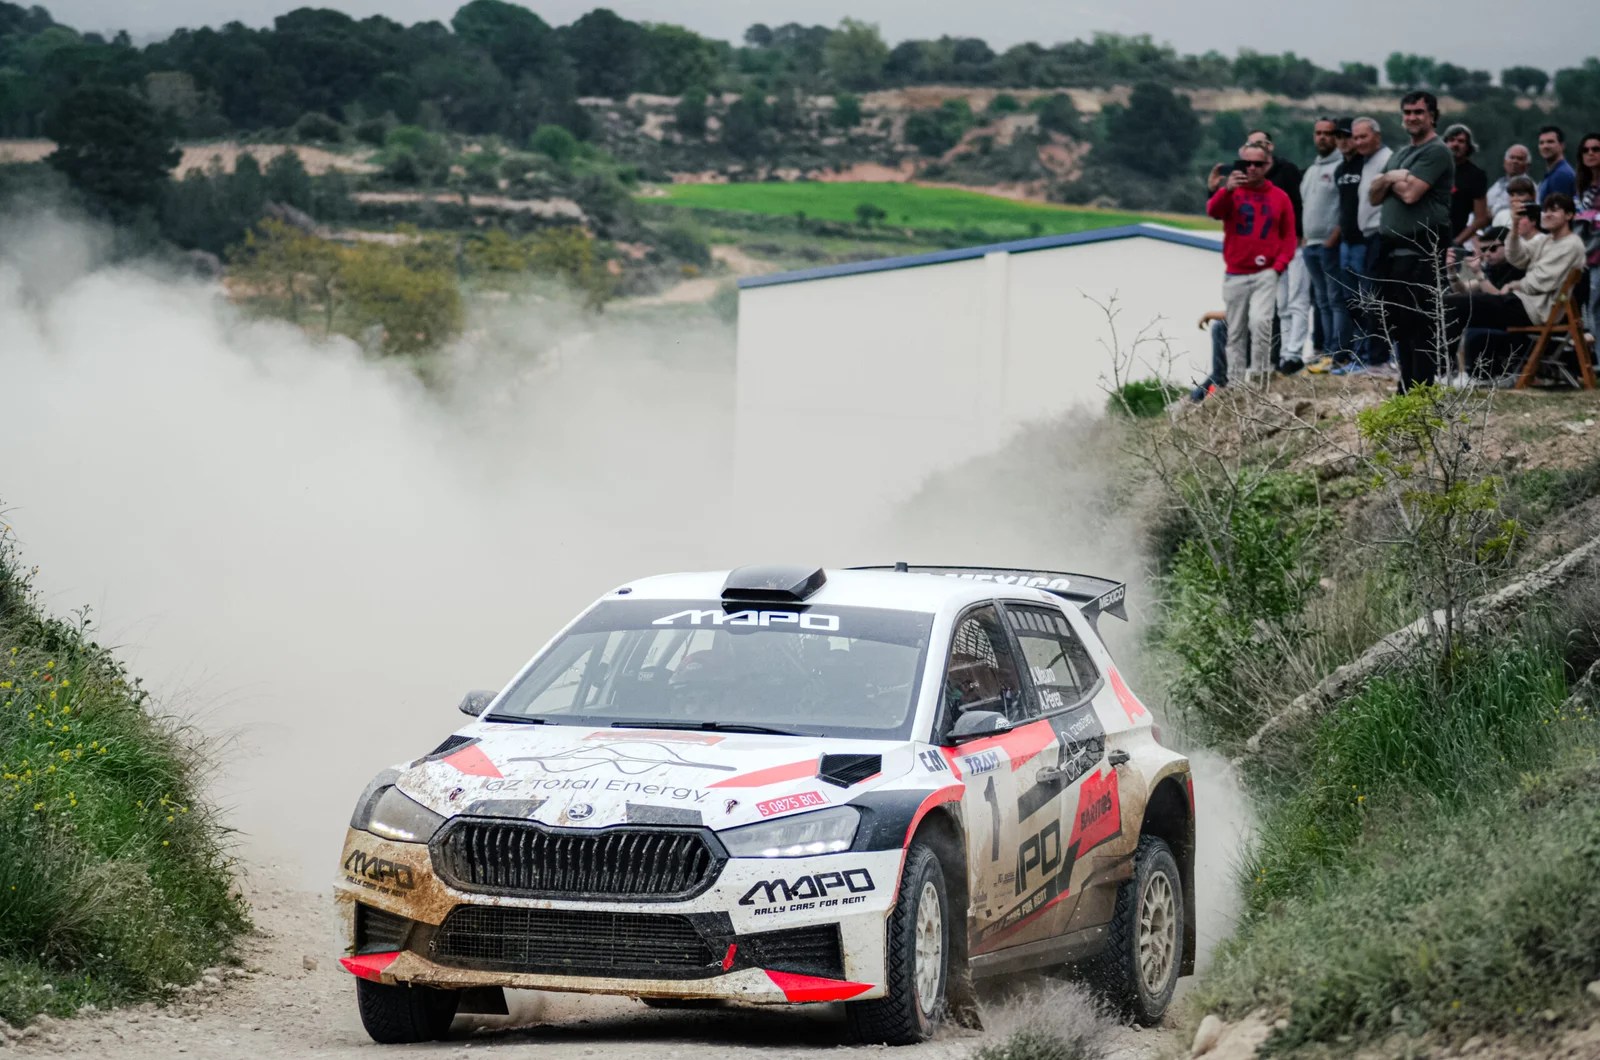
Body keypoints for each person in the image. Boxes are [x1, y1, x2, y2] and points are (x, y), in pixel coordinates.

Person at [1444, 193, 1585, 379]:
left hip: (1534, 310)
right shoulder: (1547, 241)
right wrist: (1515, 226)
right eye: (1546, 210)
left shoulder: (1571, 244)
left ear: (1569, 215)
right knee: (1451, 303)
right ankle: (1447, 371)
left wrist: (1513, 285)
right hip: (1523, 303)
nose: (1548, 214)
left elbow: (1541, 280)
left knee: (1454, 306)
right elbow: (1517, 257)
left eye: (1554, 210)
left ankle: (1444, 372)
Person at [1368, 91, 1454, 391]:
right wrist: (1394, 176)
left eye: (1418, 112)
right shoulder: (1400, 154)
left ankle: (1421, 391)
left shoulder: (1437, 151)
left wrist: (1390, 181)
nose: (1412, 117)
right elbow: (1373, 195)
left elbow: (1411, 194)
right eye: (1407, 112)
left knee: (1421, 324)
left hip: (1422, 250)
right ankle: (1406, 388)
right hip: (1393, 252)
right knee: (1399, 324)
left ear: (1432, 115)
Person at [1206, 142, 1296, 388]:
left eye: (1259, 163)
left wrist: (1278, 266)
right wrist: (1225, 190)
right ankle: (1235, 382)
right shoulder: (1233, 192)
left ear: (1268, 165)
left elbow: (1289, 236)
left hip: (1265, 272)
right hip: (1236, 272)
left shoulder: (1280, 197)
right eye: (1247, 164)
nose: (1253, 168)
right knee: (1235, 330)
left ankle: (1259, 378)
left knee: (1261, 322)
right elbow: (1213, 211)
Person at [1329, 116, 1392, 373]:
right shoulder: (1349, 167)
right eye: (1348, 137)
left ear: (1376, 136)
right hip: (1352, 239)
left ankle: (1376, 357)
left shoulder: (1381, 160)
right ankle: (1362, 354)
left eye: (1356, 136)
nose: (1351, 142)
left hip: (1372, 238)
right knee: (1352, 301)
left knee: (1371, 299)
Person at [1300, 117, 1344, 373]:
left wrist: (1332, 238)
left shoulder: (1340, 166)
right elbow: (1306, 205)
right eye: (1318, 133)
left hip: (1330, 245)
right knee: (1321, 301)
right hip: (1311, 245)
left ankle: (1336, 351)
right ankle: (1325, 349)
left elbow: (1345, 207)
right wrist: (1305, 238)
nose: (1323, 138)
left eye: (1328, 133)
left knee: (1335, 299)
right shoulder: (1311, 170)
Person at [1443, 124, 1490, 251]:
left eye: (1461, 141)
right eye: (1451, 140)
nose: (1455, 144)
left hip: (1452, 241)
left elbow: (1481, 218)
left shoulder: (1476, 175)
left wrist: (1456, 242)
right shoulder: (1434, 170)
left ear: (1468, 146)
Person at [1574, 132, 1600, 333]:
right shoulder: (1584, 187)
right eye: (1585, 150)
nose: (1590, 153)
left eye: (1596, 149)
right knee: (1591, 310)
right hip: (1586, 257)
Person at [1486, 143, 1531, 218]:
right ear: (1505, 162)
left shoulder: (1528, 186)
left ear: (1527, 166)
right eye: (1512, 158)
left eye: (1519, 159)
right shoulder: (1498, 184)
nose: (1515, 161)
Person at [1537, 125, 1577, 201]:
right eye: (1541, 143)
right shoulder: (1553, 173)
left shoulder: (1561, 175)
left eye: (1550, 142)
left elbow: (1559, 207)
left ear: (1562, 146)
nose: (1545, 146)